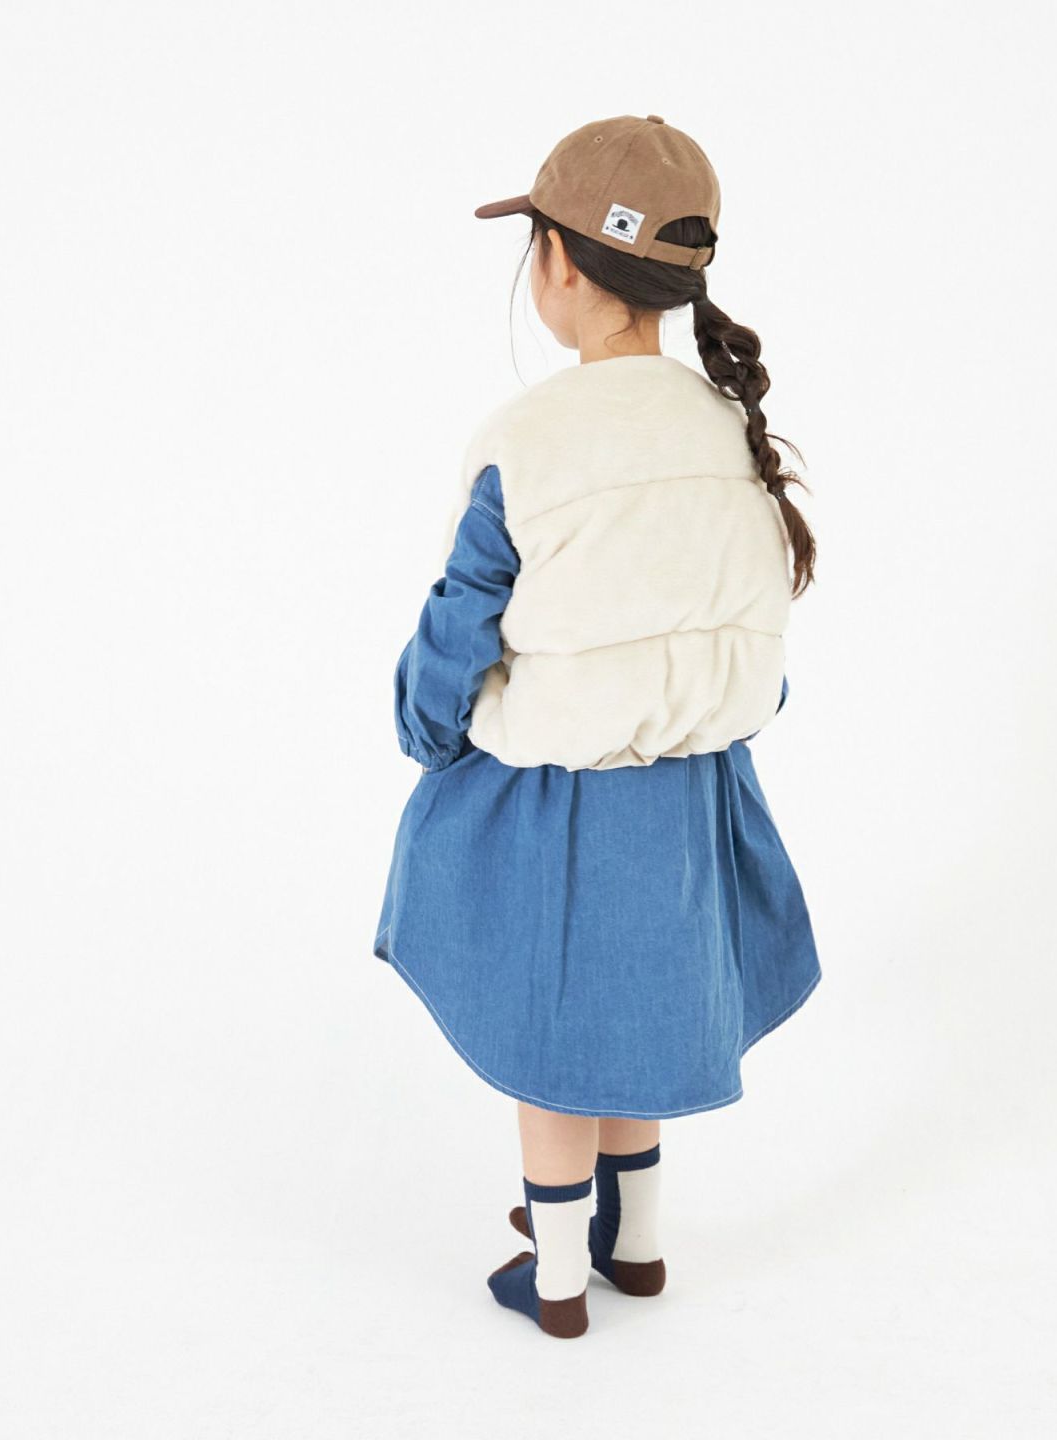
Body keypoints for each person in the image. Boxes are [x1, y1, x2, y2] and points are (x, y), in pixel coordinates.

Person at [372, 114, 822, 1340]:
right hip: (692, 795)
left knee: (554, 1040)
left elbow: (460, 625)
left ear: (560, 263)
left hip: (560, 800)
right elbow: (753, 633)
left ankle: (560, 1276)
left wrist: (426, 731)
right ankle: (639, 1243)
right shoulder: (729, 429)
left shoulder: (529, 442)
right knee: (640, 1018)